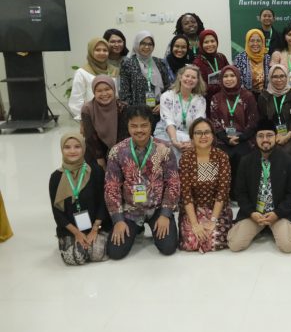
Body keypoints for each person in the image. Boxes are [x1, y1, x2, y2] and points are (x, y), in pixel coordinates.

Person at [105, 105, 180, 259]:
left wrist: (165, 214)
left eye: (144, 125)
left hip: (157, 208)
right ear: (127, 126)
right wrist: (118, 219)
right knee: (115, 252)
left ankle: (155, 223)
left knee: (168, 247)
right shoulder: (117, 151)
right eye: (134, 126)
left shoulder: (164, 149)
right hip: (130, 209)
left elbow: (173, 183)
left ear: (151, 125)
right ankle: (136, 228)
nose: (139, 130)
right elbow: (111, 186)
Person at [227, 119, 291, 253]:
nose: (265, 139)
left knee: (288, 246)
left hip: (279, 214)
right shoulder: (246, 161)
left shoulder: (289, 161)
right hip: (254, 215)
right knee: (235, 244)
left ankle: (279, 227)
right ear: (255, 139)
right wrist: (252, 213)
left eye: (269, 135)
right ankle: (263, 227)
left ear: (276, 136)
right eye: (261, 136)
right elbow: (240, 192)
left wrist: (277, 214)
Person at [49, 132, 111, 265]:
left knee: (96, 254)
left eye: (77, 146)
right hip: (70, 229)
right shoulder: (56, 177)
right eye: (67, 147)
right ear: (61, 149)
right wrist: (76, 233)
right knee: (75, 258)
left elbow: (103, 202)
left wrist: (95, 229)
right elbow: (57, 212)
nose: (72, 151)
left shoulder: (96, 171)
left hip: (97, 226)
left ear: (83, 148)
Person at [178, 118, 233, 252]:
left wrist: (213, 220)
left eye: (207, 132)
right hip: (194, 209)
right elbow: (186, 194)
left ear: (213, 136)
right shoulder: (186, 159)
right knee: (191, 242)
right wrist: (195, 224)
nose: (203, 136)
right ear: (192, 137)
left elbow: (222, 192)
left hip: (217, 210)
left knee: (213, 239)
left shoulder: (221, 157)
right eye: (198, 133)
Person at [210, 66, 259, 196]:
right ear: (221, 79)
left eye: (232, 76)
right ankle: (223, 194)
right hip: (222, 139)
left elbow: (253, 121)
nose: (229, 79)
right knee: (222, 156)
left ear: (238, 77)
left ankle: (240, 194)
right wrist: (226, 139)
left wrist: (241, 138)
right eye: (225, 76)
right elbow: (215, 122)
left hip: (244, 138)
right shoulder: (216, 98)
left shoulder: (248, 96)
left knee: (242, 156)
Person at [257, 64, 291, 187]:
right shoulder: (264, 97)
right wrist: (273, 136)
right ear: (270, 78)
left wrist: (287, 136)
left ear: (286, 77)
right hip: (270, 135)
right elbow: (262, 120)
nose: (279, 79)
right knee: (272, 151)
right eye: (275, 77)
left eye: (282, 76)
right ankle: (276, 186)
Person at [153, 64, 207, 161]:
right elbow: (168, 121)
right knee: (170, 150)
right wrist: (175, 141)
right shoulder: (167, 96)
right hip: (166, 134)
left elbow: (199, 124)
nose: (189, 79)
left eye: (193, 77)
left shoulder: (200, 100)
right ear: (180, 77)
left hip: (190, 136)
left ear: (197, 81)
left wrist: (193, 142)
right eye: (187, 76)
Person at [119, 31, 171, 118]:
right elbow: (125, 93)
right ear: (137, 44)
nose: (147, 47)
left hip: (159, 112)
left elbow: (168, 87)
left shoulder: (159, 62)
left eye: (150, 44)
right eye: (143, 43)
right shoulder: (128, 64)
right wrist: (134, 112)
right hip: (137, 114)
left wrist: (162, 105)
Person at [81, 76, 129, 169]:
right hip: (95, 152)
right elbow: (90, 136)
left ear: (113, 89)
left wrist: (114, 158)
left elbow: (123, 136)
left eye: (107, 89)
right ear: (94, 92)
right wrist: (100, 158)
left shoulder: (122, 107)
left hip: (119, 151)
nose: (104, 94)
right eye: (99, 91)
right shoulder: (87, 109)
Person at [69, 38, 116, 121]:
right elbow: (76, 100)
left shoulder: (114, 70)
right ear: (91, 51)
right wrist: (85, 118)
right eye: (97, 50)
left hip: (113, 116)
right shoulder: (82, 72)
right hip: (92, 117)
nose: (102, 53)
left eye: (105, 50)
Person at [192, 29, 230, 99]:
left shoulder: (221, 57)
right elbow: (200, 87)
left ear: (217, 42)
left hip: (225, 99)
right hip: (207, 100)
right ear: (201, 44)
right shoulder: (197, 63)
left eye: (212, 41)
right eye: (206, 42)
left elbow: (230, 75)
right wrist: (223, 85)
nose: (210, 44)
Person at [232, 28, 271, 94]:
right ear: (247, 42)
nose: (255, 44)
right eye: (252, 41)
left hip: (265, 96)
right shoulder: (239, 58)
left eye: (258, 41)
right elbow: (236, 81)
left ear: (263, 42)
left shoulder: (267, 58)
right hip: (245, 96)